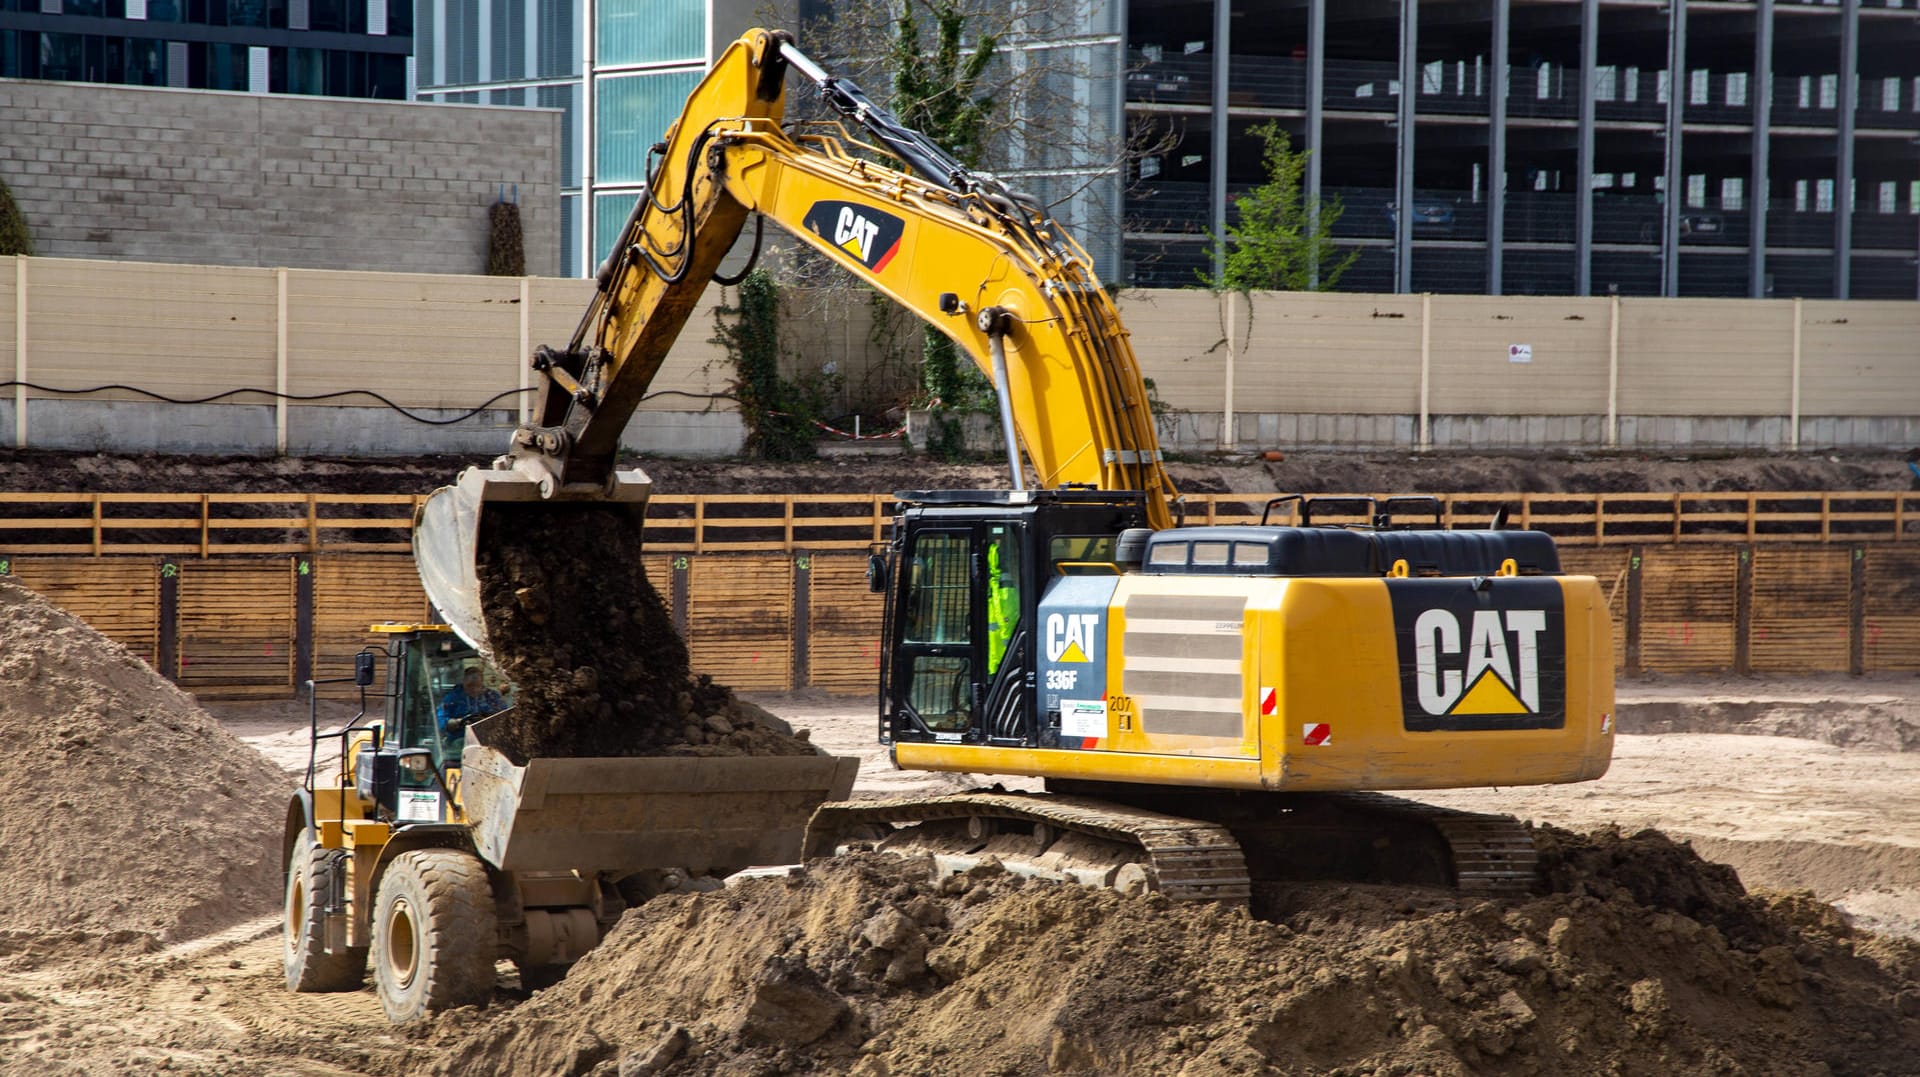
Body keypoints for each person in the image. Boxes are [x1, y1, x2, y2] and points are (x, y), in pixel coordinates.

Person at [437, 666, 505, 746]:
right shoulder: (452, 698)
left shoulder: (492, 697)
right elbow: (440, 722)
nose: (474, 689)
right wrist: (459, 722)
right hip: (460, 739)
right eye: (470, 685)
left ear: (482, 683)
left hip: (489, 737)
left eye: (478, 685)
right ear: (464, 682)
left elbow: (504, 715)